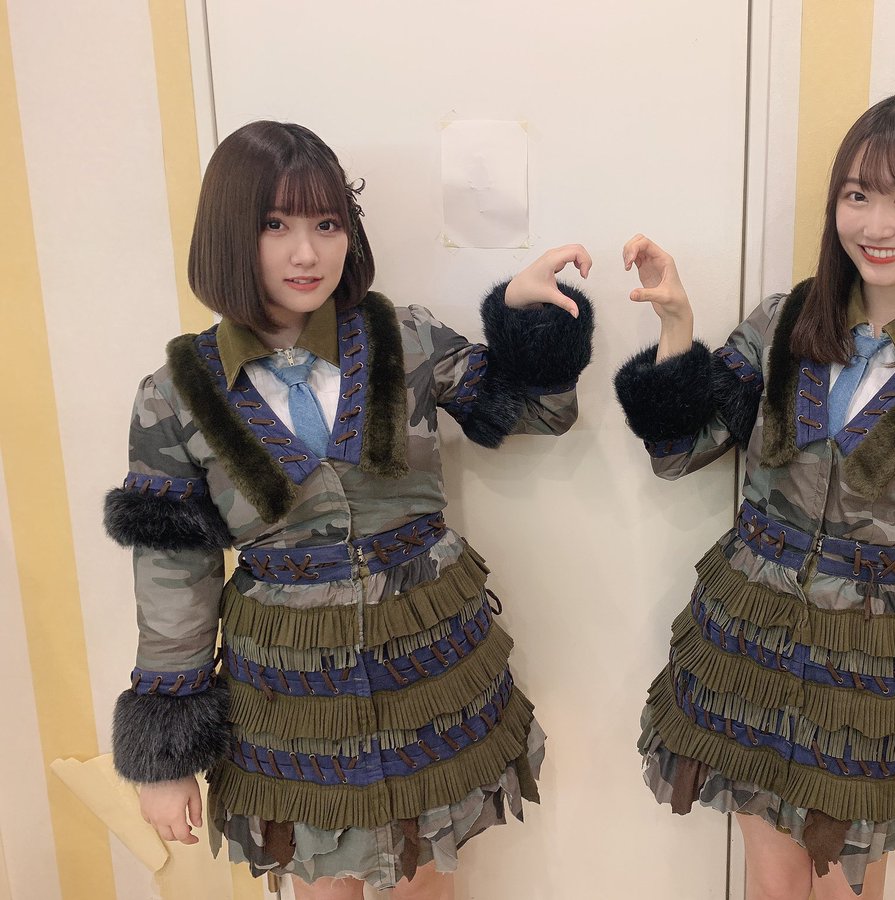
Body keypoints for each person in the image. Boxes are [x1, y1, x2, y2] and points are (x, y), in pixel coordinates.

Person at [104, 120, 594, 899]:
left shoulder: (403, 336)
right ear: (230, 233)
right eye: (276, 225)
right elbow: (173, 584)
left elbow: (537, 413)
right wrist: (164, 761)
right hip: (289, 693)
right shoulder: (175, 396)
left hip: (429, 664)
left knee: (427, 879)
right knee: (323, 882)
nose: (307, 253)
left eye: (327, 224)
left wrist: (526, 318)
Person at [613, 91, 895, 899]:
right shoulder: (783, 322)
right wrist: (678, 327)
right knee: (773, 884)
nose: (876, 224)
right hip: (749, 639)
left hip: (871, 671)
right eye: (858, 194)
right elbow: (680, 453)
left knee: (848, 890)